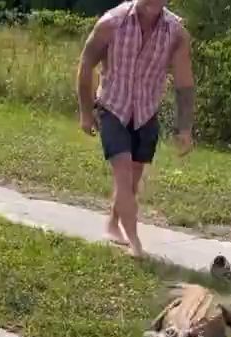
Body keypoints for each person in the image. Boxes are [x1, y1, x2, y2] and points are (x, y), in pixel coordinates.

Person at [76, 0, 195, 257]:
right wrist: (86, 112)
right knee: (123, 172)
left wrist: (185, 128)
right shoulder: (111, 22)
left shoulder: (176, 33)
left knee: (132, 180)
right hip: (112, 107)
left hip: (145, 113)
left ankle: (112, 223)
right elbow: (86, 64)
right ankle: (135, 243)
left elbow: (184, 83)